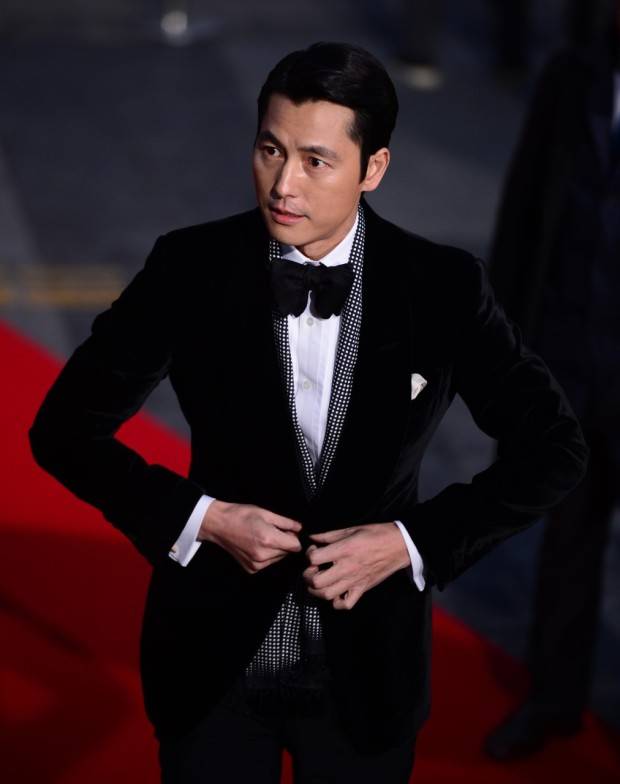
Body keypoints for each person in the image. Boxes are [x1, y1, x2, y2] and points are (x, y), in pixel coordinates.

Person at [29, 42, 589, 783]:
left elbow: (555, 448)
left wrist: (411, 542)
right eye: (270, 150)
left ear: (373, 169)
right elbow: (64, 430)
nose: (283, 185)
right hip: (213, 664)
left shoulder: (442, 287)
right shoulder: (189, 268)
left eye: (316, 161)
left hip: (367, 677)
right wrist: (201, 519)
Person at [484, 2, 620, 760]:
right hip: (570, 364)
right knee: (566, 542)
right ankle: (553, 702)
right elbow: (524, 213)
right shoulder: (571, 79)